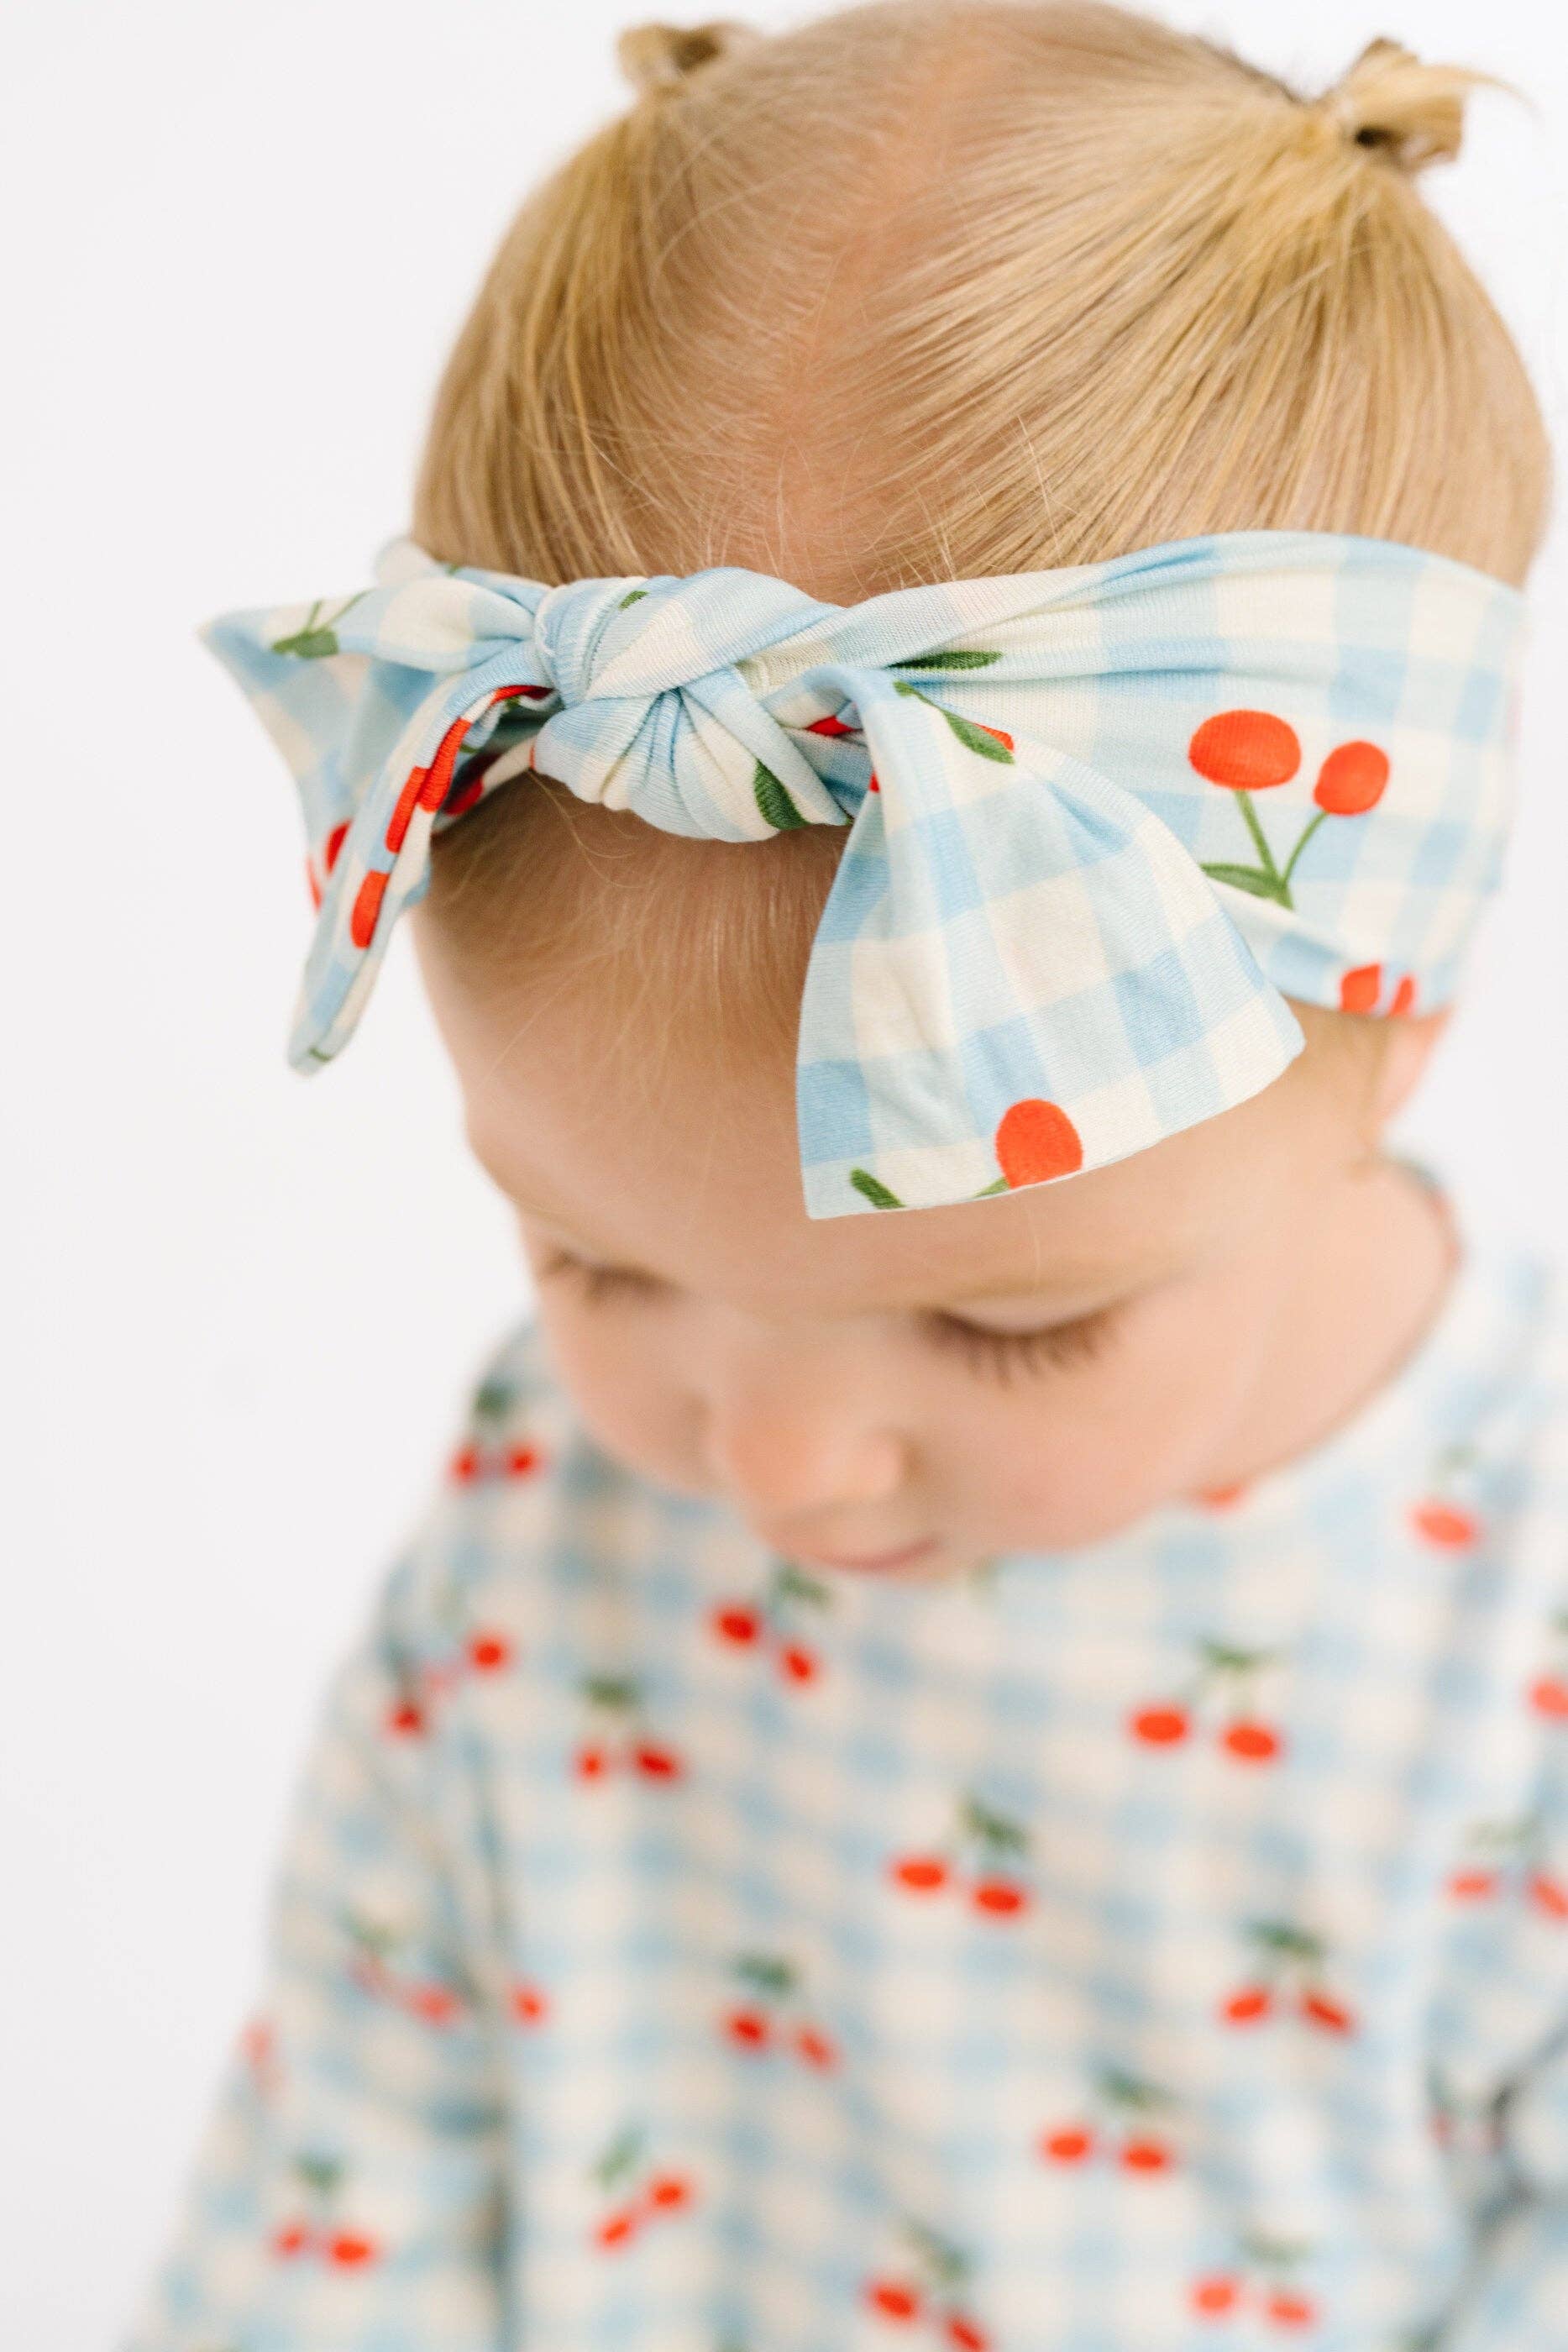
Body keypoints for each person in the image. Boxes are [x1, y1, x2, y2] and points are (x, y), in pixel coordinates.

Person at [124, 5, 1566, 2347]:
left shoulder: (1517, 1644)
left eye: (1008, 1320)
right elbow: (352, 2151)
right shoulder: (549, 1520)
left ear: (1393, 1027)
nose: (772, 1461)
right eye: (592, 1262)